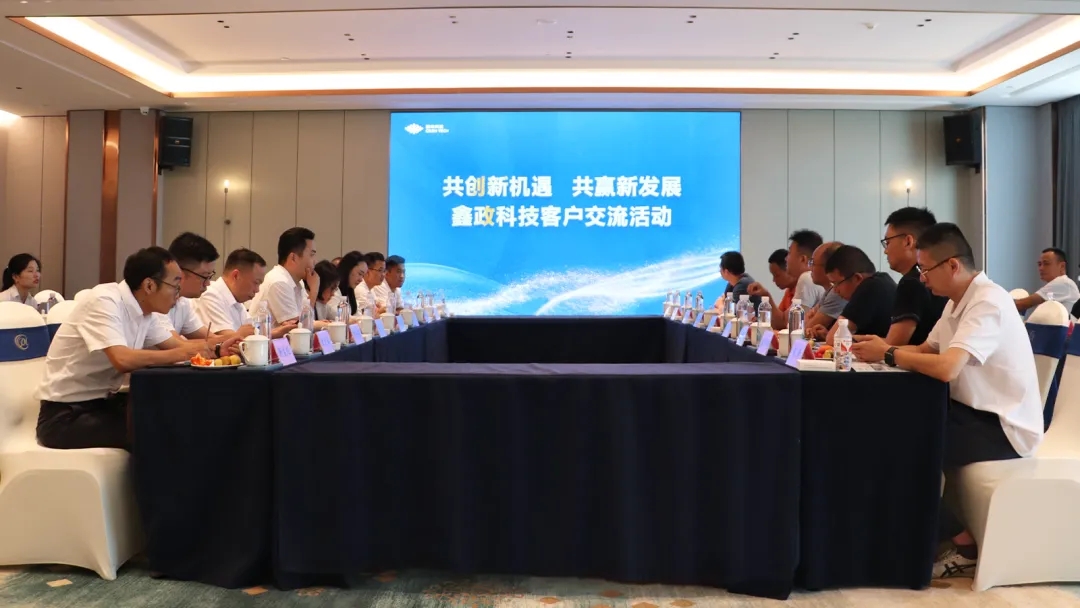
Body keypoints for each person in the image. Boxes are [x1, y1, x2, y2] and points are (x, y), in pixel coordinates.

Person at [851, 223, 1043, 579]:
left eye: (925, 269)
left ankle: (962, 546)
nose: (922, 279)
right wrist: (875, 349)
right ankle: (904, 538)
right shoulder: (957, 302)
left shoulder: (988, 302)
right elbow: (926, 350)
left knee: (896, 447)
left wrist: (888, 353)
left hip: (1002, 426)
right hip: (968, 412)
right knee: (879, 428)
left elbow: (946, 367)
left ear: (952, 265)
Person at [35, 247, 234, 450]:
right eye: (175, 286)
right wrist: (183, 353)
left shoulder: (146, 311)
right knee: (161, 427)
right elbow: (122, 359)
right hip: (64, 417)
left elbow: (180, 346)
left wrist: (219, 349)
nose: (178, 294)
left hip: (103, 404)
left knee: (181, 412)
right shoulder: (104, 301)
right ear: (149, 285)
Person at [882, 207, 948, 346]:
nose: (885, 251)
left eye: (888, 242)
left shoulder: (911, 282)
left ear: (908, 241)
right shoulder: (941, 277)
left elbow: (892, 347)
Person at [196, 248, 295, 339]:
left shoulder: (237, 301)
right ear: (236, 276)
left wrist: (278, 331)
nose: (257, 290)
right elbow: (228, 339)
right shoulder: (210, 295)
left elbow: (252, 332)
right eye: (256, 283)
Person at [820, 245, 897, 345]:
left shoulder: (869, 288)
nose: (835, 290)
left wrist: (839, 336)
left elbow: (833, 339)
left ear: (857, 278)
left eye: (836, 283)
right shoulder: (882, 280)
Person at [249, 227, 320, 328]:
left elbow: (303, 321)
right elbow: (298, 329)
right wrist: (314, 291)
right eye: (311, 255)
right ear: (293, 258)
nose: (315, 261)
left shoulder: (298, 282)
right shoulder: (279, 282)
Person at [156, 232, 217, 339]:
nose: (208, 283)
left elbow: (208, 338)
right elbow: (177, 345)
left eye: (210, 276)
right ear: (180, 273)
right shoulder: (157, 299)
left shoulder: (183, 302)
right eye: (205, 276)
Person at [1015, 248, 1080, 314]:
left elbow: (1021, 305)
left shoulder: (1063, 282)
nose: (1041, 268)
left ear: (1062, 266)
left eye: (1046, 264)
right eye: (1039, 264)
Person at [747, 249, 796, 330]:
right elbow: (777, 322)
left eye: (777, 275)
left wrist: (767, 295)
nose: (774, 280)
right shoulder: (789, 291)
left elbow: (782, 323)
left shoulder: (803, 289)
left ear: (789, 269)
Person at [805, 241, 847, 334]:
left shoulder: (837, 294)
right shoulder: (831, 290)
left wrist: (810, 319)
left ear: (828, 267)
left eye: (813, 263)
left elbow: (807, 329)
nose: (810, 268)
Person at [787, 230, 826, 309]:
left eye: (789, 253)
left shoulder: (807, 278)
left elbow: (795, 316)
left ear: (803, 259)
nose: (786, 258)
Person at [335, 251, 368, 316]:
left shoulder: (350, 291)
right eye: (360, 274)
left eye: (363, 276)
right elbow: (339, 316)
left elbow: (357, 315)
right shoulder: (334, 290)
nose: (361, 280)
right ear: (348, 268)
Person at [355, 252, 388, 316]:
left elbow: (377, 308)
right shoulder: (360, 289)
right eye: (380, 270)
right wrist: (380, 310)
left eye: (384, 271)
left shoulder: (371, 288)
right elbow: (366, 317)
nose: (383, 274)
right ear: (367, 271)